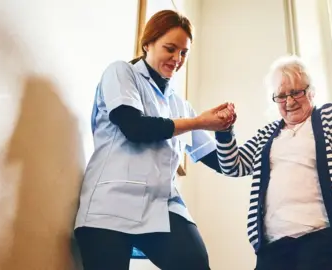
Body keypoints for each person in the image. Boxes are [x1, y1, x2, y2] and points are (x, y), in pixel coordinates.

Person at [214, 55, 332, 270]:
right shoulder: (267, 133)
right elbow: (233, 165)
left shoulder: (331, 117)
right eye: (281, 96)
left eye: (296, 92)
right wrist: (224, 134)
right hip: (273, 244)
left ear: (311, 91)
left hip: (323, 237)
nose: (289, 101)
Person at [74, 10, 234, 270]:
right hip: (110, 205)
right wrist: (199, 122)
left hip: (162, 206)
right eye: (170, 49)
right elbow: (134, 127)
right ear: (147, 43)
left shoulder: (178, 103)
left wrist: (226, 128)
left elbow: (221, 161)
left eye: (184, 53)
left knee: (195, 262)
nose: (177, 59)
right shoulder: (121, 73)